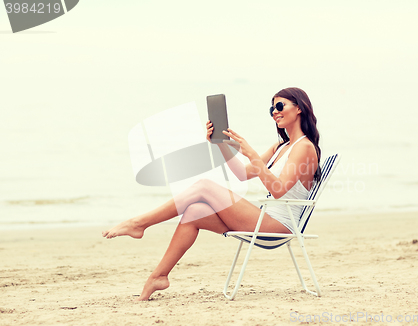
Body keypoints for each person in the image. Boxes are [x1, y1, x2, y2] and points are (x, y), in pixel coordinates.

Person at [102, 87, 321, 301]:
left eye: (280, 105)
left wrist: (251, 152)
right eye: (271, 108)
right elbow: (242, 174)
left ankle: (139, 224)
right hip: (265, 219)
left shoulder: (304, 147)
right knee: (195, 212)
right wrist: (220, 144)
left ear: (299, 108)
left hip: (280, 225)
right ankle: (158, 276)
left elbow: (279, 190)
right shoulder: (280, 147)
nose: (275, 111)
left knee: (204, 186)